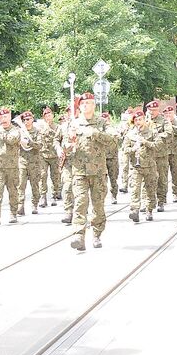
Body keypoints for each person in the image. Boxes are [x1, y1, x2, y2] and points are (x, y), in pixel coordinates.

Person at [67, 94, 116, 250]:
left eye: (90, 103)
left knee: (98, 205)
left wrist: (95, 133)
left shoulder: (102, 123)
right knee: (80, 203)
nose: (87, 105)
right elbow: (65, 146)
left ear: (94, 105)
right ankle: (78, 235)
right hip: (79, 171)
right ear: (80, 106)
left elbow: (114, 140)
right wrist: (68, 143)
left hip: (98, 172)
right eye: (84, 103)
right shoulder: (73, 123)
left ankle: (96, 234)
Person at [123, 110, 160, 223]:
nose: (138, 122)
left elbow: (158, 146)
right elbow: (125, 149)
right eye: (136, 120)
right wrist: (133, 149)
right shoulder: (130, 134)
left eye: (140, 119)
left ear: (144, 119)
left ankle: (149, 210)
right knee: (135, 189)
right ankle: (135, 211)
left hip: (150, 166)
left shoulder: (152, 132)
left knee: (150, 189)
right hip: (136, 167)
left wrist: (146, 142)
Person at [146, 100, 173, 212]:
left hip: (161, 154)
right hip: (148, 155)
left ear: (158, 110)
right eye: (150, 110)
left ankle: (161, 200)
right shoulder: (145, 121)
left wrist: (155, 135)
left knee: (161, 178)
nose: (152, 112)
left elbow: (169, 133)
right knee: (148, 179)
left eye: (154, 110)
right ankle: (147, 201)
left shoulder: (164, 121)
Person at [16, 111, 42, 215]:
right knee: (21, 184)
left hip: (34, 162)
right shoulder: (20, 131)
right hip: (22, 160)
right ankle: (20, 206)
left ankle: (34, 204)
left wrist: (29, 142)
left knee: (34, 184)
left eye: (28, 119)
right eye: (24, 120)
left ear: (32, 119)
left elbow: (40, 145)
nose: (26, 121)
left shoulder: (37, 131)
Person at [35, 107, 61, 207]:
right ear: (44, 117)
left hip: (54, 155)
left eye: (50, 115)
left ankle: (54, 195)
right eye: (46, 115)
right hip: (43, 154)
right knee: (42, 175)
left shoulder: (57, 127)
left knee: (55, 176)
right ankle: (43, 197)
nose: (48, 117)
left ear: (53, 116)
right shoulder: (40, 127)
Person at [163, 105, 177, 202]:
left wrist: (172, 127)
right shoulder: (162, 123)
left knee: (176, 173)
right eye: (166, 114)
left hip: (175, 152)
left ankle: (176, 192)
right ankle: (162, 195)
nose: (168, 115)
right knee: (163, 174)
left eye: (170, 113)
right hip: (163, 152)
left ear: (173, 113)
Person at [101, 112, 120, 204]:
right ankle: (102, 197)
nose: (105, 121)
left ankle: (114, 195)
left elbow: (118, 138)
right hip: (102, 158)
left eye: (107, 119)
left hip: (112, 158)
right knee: (102, 180)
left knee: (113, 178)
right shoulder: (99, 131)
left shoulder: (113, 130)